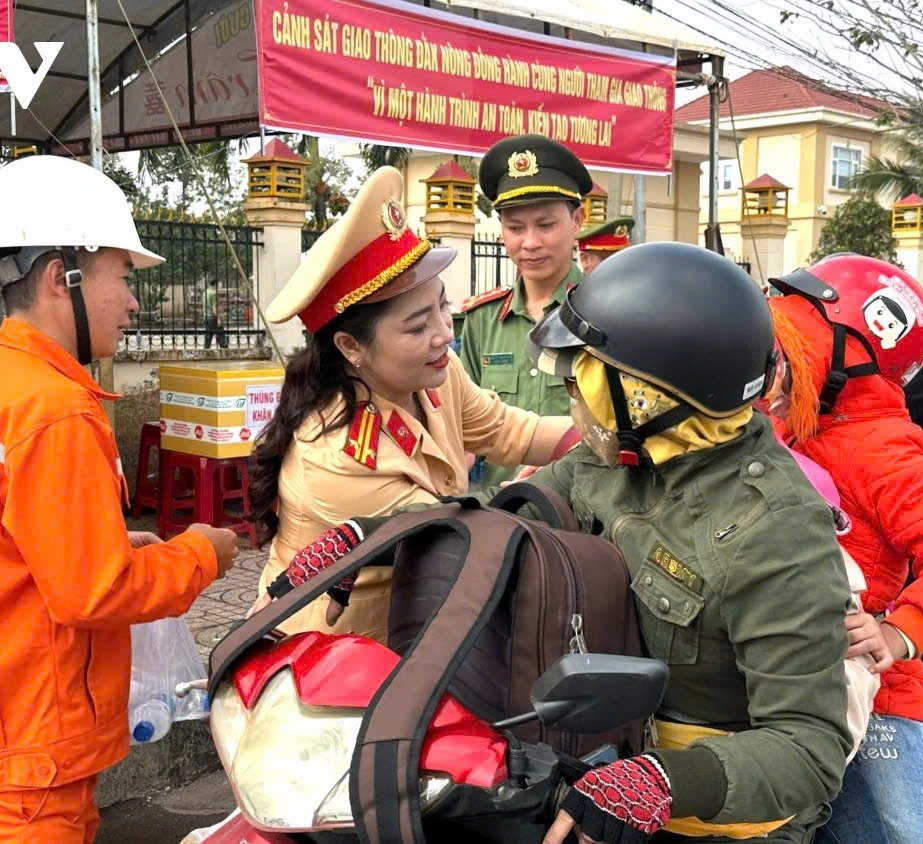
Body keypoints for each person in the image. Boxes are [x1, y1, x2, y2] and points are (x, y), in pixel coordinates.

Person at [273, 242, 854, 844]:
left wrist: (662, 782)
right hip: (587, 770)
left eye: (586, 375)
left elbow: (809, 749)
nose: (571, 391)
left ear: (652, 395)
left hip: (713, 821)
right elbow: (503, 527)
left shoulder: (775, 534)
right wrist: (381, 539)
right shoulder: (627, 455)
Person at [0, 155, 238, 843]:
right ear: (63, 277)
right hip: (20, 748)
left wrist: (106, 545)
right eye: (122, 276)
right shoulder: (54, 410)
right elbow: (95, 593)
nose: (135, 301)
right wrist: (204, 553)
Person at [249, 166, 578, 642]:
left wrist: (597, 437)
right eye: (418, 326)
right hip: (326, 657)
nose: (445, 333)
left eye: (442, 307)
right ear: (351, 347)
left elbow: (509, 430)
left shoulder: (436, 376)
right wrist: (561, 479)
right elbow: (458, 536)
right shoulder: (337, 454)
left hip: (411, 630)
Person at [765, 254, 923, 844]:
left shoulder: (885, 449)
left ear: (850, 358)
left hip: (877, 700)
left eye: (790, 344)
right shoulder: (787, 426)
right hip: (791, 690)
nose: (773, 361)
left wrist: (900, 632)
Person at [459, 134, 591, 490]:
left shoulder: (606, 314)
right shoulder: (481, 320)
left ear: (577, 220)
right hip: (501, 515)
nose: (529, 243)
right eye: (515, 228)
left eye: (546, 225)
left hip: (588, 515)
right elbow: (463, 422)